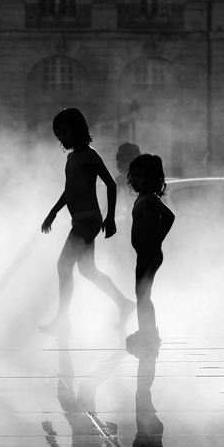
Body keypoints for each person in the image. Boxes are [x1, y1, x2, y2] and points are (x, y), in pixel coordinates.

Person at [40, 107, 135, 336]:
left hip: (88, 220)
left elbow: (111, 184)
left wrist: (110, 217)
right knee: (87, 270)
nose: (61, 139)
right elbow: (69, 191)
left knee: (63, 266)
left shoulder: (89, 155)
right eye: (58, 135)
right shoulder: (72, 158)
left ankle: (63, 321)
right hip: (80, 221)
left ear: (78, 130)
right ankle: (123, 303)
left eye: (64, 133)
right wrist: (52, 213)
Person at [125, 153, 175, 349]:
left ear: (153, 179)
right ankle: (145, 331)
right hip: (143, 254)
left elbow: (169, 217)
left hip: (150, 253)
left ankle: (149, 334)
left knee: (143, 295)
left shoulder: (149, 199)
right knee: (141, 295)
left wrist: (157, 240)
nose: (136, 180)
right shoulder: (141, 199)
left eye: (141, 176)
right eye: (134, 176)